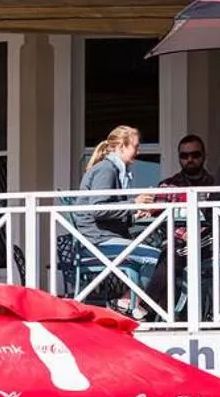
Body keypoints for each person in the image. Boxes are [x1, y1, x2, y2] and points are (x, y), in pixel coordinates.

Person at [70, 126, 169, 314]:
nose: (138, 152)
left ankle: (130, 303)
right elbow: (100, 209)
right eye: (135, 147)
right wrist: (134, 203)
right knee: (154, 256)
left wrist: (134, 213)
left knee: (156, 250)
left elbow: (109, 210)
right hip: (97, 241)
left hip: (102, 237)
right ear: (121, 147)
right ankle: (129, 304)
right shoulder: (107, 170)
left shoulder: (113, 169)